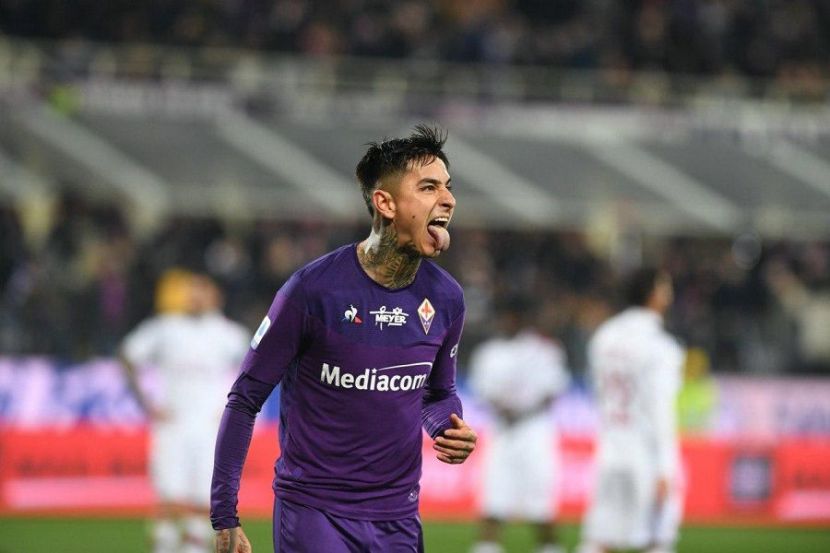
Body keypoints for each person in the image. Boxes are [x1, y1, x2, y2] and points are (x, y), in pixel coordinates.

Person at [210, 125, 477, 553]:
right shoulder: (312, 291)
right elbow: (245, 399)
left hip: (399, 518)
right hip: (315, 515)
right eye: (429, 187)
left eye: (448, 187)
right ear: (385, 203)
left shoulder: (446, 299)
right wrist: (225, 514)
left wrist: (448, 427)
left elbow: (437, 394)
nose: (448, 199)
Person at [119, 269, 251, 553]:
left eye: (202, 290)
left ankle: (195, 545)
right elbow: (128, 355)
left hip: (210, 427)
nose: (196, 296)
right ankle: (164, 544)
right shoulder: (165, 327)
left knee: (204, 495)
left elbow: (257, 367)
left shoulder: (229, 334)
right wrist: (146, 403)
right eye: (192, 290)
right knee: (168, 493)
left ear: (215, 296)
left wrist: (235, 408)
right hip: (172, 424)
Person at [577, 268, 685, 553]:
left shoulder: (604, 336)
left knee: (600, 539)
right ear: (654, 294)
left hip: (610, 448)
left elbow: (597, 390)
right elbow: (660, 409)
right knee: (657, 540)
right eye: (665, 288)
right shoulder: (661, 346)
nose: (669, 294)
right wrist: (665, 466)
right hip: (645, 453)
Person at [468, 296, 570, 553]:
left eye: (511, 317)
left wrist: (522, 411)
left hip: (534, 431)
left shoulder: (544, 350)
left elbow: (553, 391)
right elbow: (483, 393)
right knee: (493, 499)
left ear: (522, 319)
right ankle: (487, 547)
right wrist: (504, 409)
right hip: (502, 430)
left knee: (541, 503)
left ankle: (548, 547)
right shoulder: (489, 353)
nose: (506, 322)